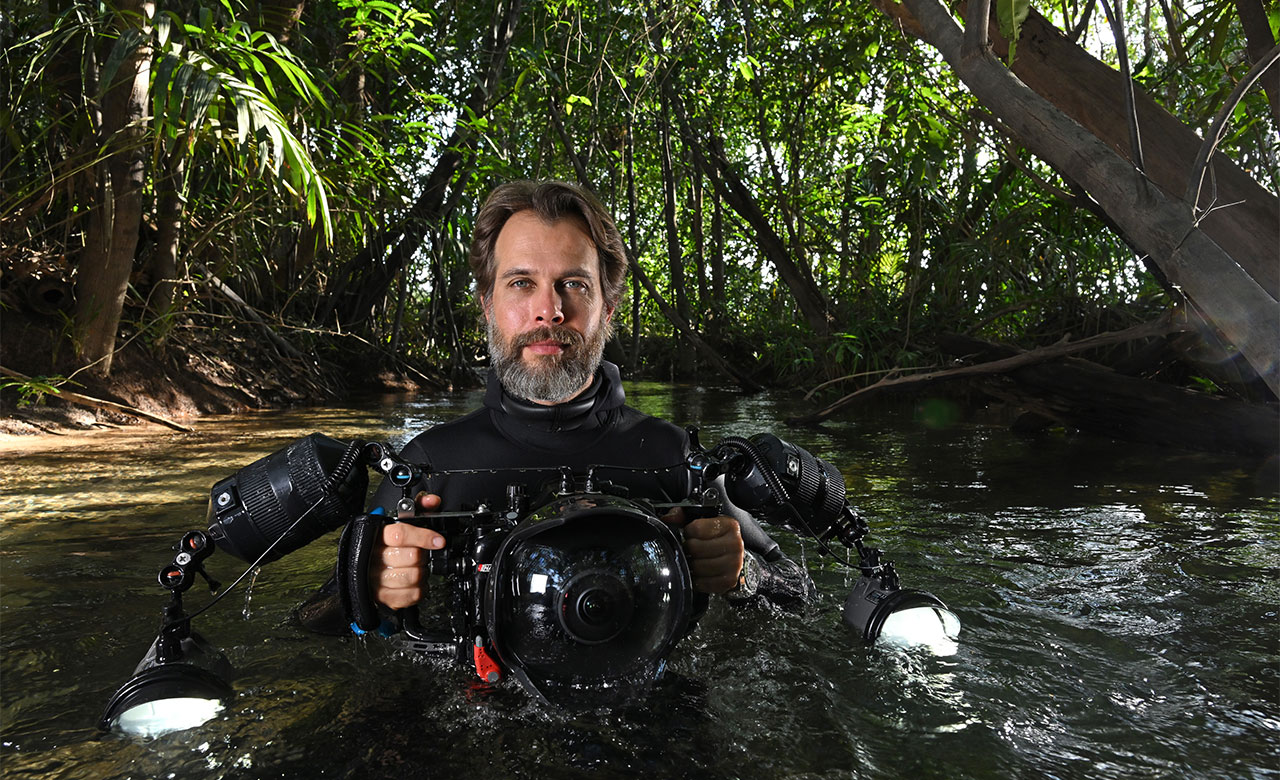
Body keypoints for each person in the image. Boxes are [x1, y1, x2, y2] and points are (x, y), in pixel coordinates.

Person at [299, 180, 811, 639]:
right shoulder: (428, 468)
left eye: (574, 284)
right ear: (487, 305)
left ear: (607, 309)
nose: (549, 309)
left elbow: (798, 598)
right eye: (522, 283)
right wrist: (367, 589)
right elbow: (308, 627)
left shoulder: (676, 459)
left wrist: (743, 577)